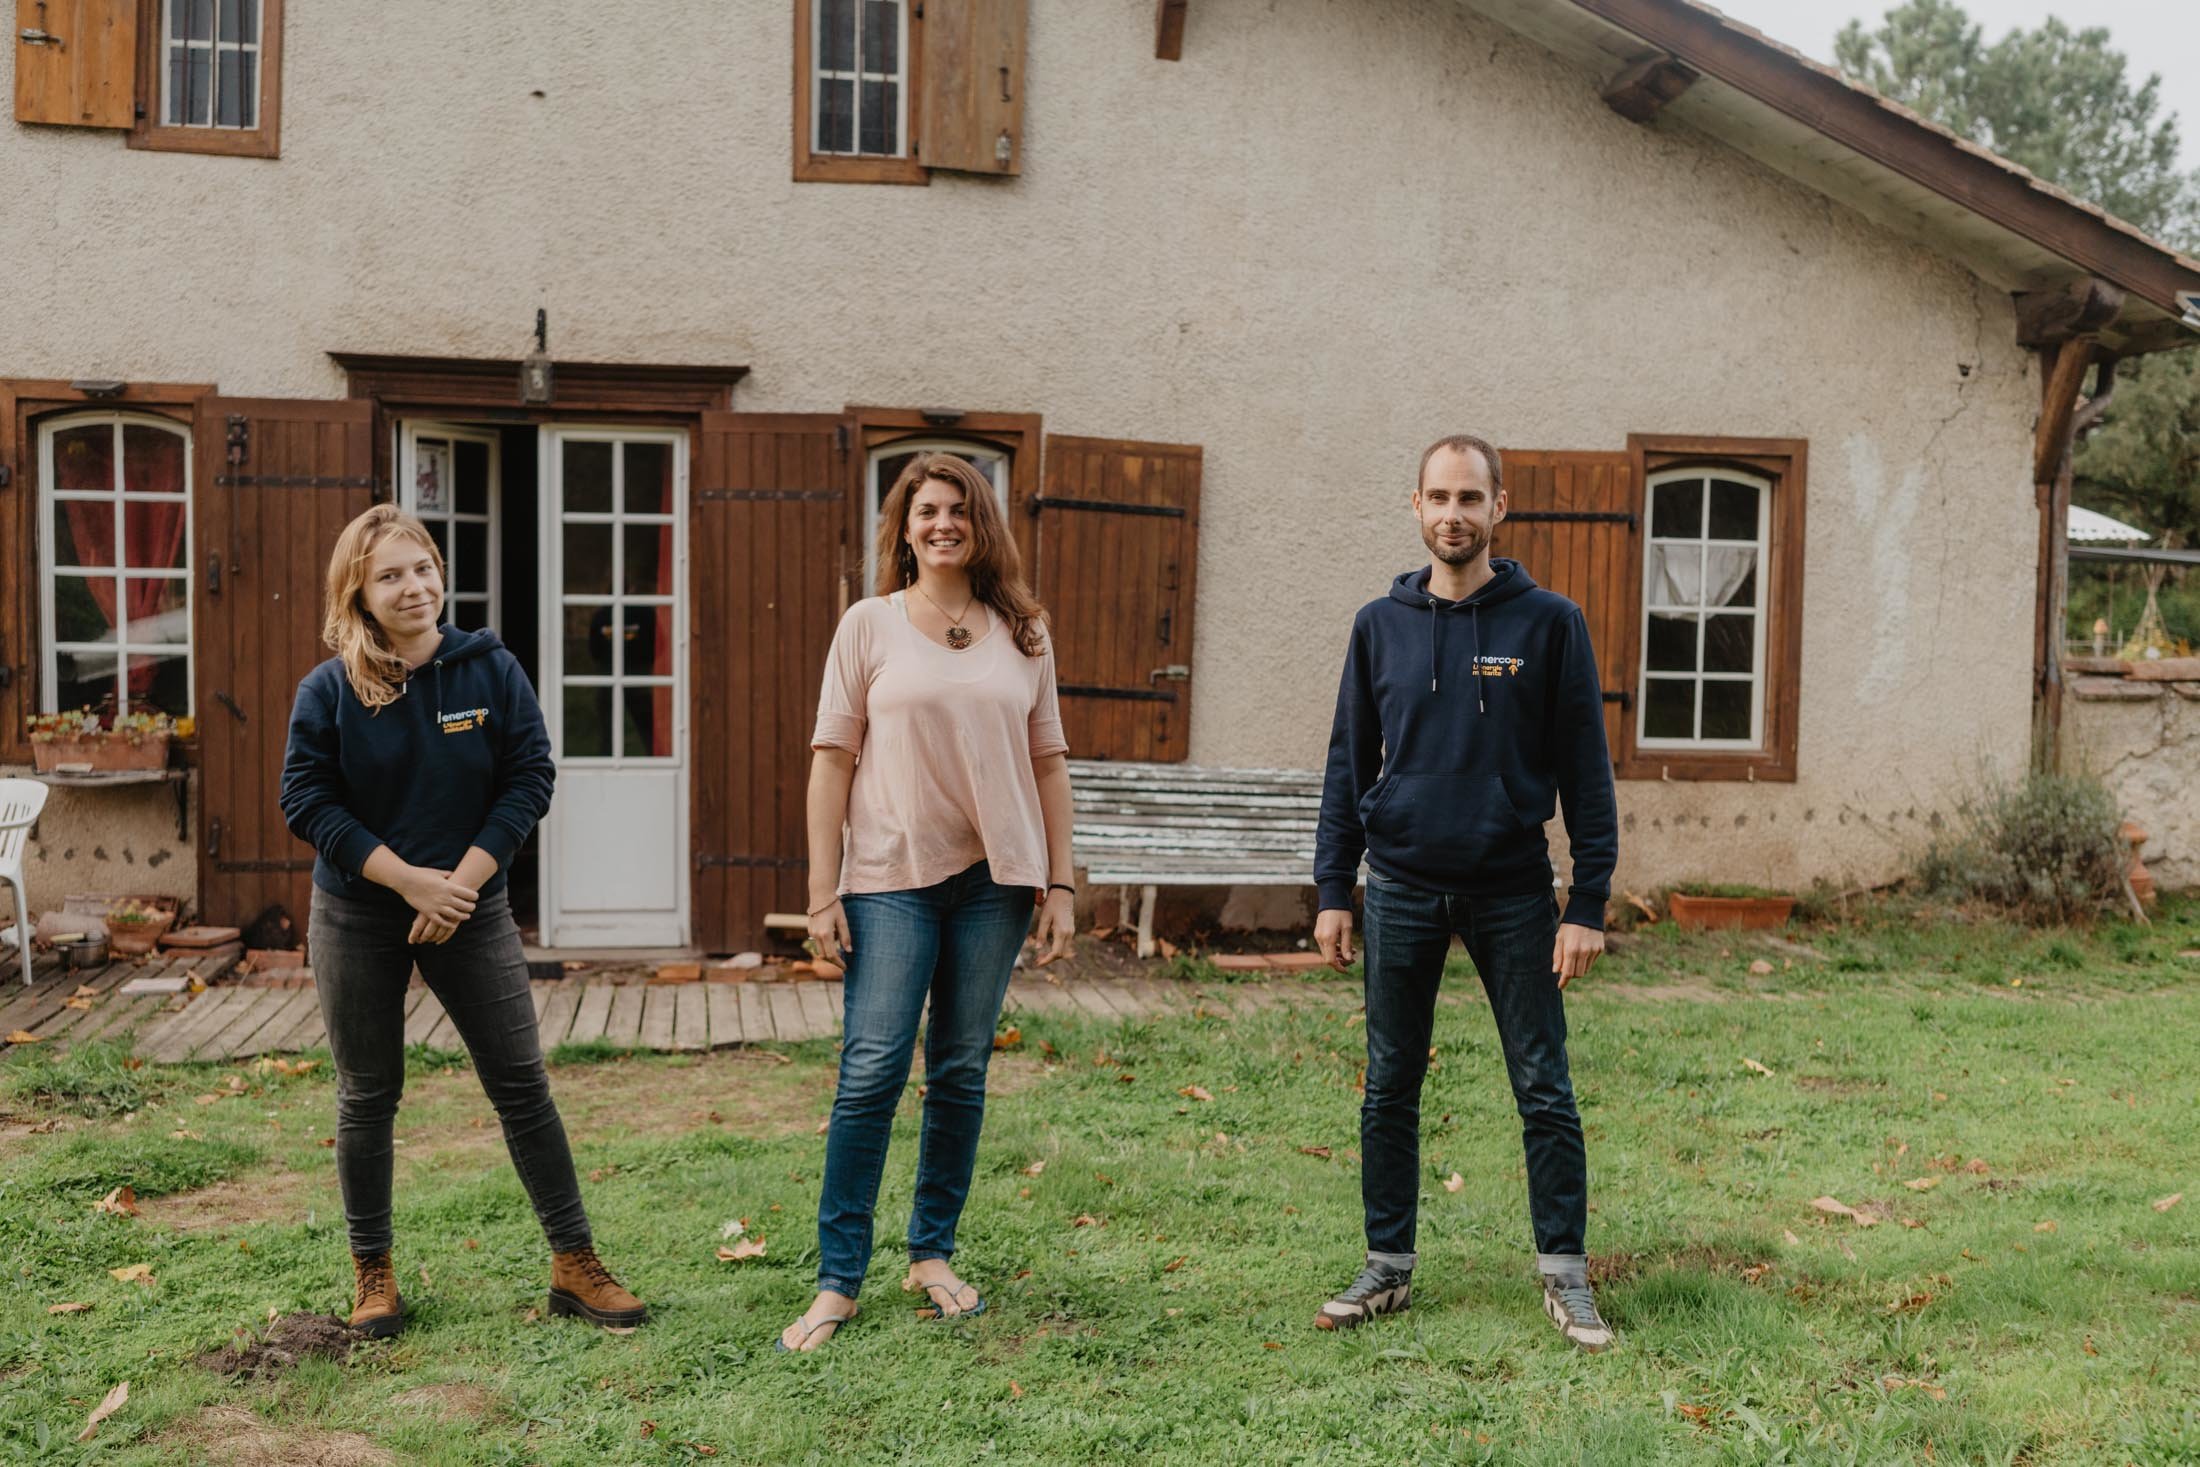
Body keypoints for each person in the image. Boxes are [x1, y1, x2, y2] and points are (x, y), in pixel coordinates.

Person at [280, 504, 645, 1337]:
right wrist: (411, 882)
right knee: (368, 1094)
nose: (414, 586)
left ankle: (574, 1263)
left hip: (470, 907)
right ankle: (374, 1274)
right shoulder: (330, 689)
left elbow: (530, 778)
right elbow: (306, 800)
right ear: (360, 594)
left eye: (422, 568)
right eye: (390, 576)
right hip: (357, 910)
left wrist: (465, 884)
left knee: (521, 1084)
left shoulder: (489, 670)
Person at [1309, 434, 1618, 1350]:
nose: (1454, 514)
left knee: (1543, 1086)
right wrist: (1335, 887)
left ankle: (1566, 1274)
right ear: (1415, 506)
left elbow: (1587, 776)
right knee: (1389, 1087)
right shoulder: (1379, 624)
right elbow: (1346, 763)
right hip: (1399, 884)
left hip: (1514, 890)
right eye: (1438, 497)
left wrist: (1588, 900)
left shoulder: (1549, 623)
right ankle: (1387, 1266)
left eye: (1470, 498)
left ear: (1499, 509)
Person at [780, 454, 1076, 1352]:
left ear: (981, 524)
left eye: (958, 510)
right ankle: (838, 1281)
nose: (942, 523)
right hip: (888, 879)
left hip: (997, 884)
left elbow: (1048, 761)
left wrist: (1061, 881)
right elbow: (832, 759)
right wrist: (818, 891)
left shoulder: (1023, 630)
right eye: (925, 511)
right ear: (903, 528)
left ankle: (932, 1254)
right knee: (872, 1070)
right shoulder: (867, 625)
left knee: (958, 1070)